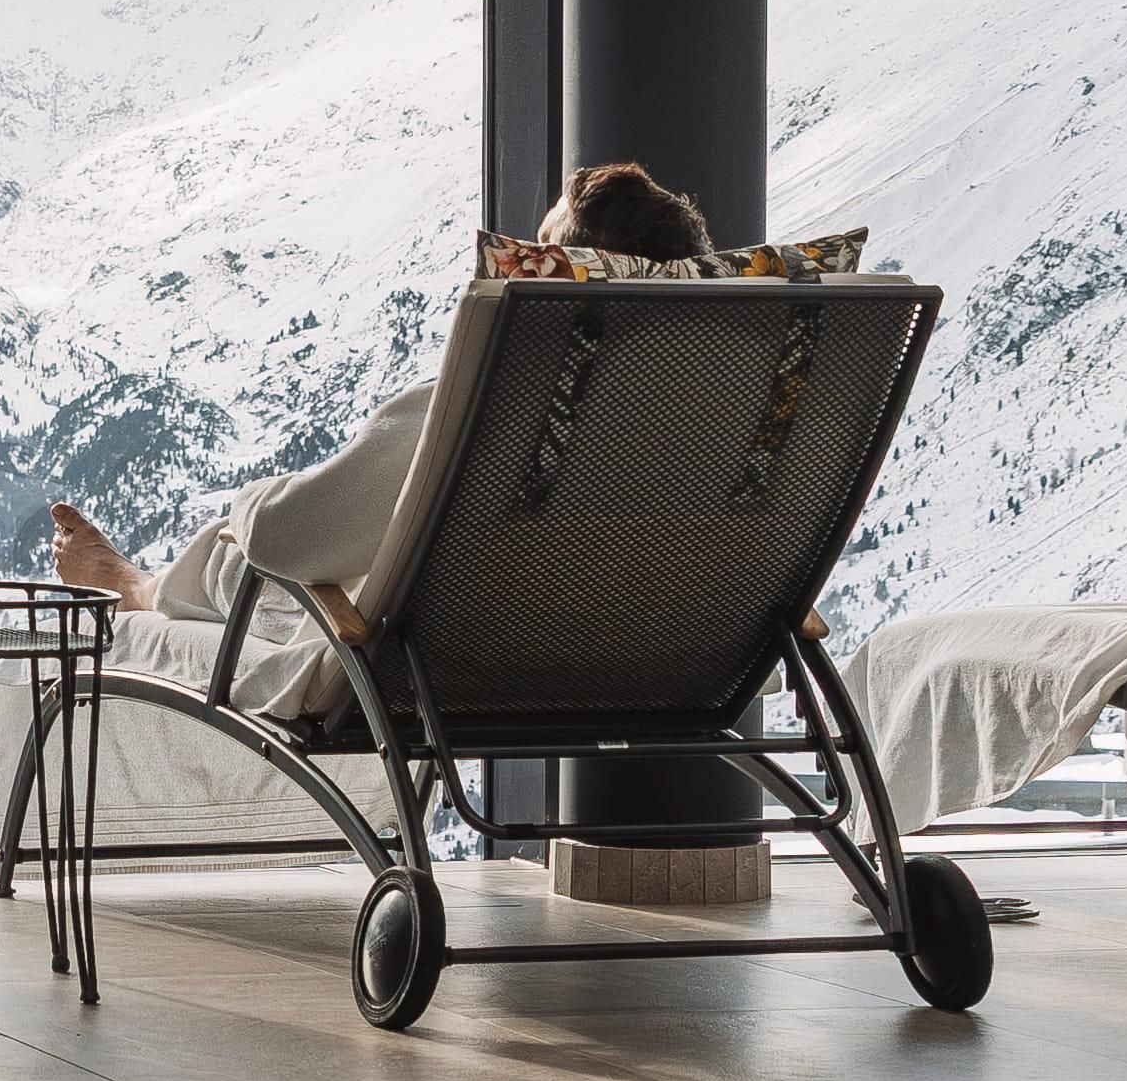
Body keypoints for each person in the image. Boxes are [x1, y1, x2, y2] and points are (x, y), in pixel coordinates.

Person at [40, 160, 731, 724]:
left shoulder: (494, 405)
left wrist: (250, 505)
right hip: (681, 656)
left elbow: (290, 537)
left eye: (538, 254)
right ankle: (143, 579)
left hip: (451, 664)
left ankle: (132, 585)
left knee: (242, 547)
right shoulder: (730, 420)